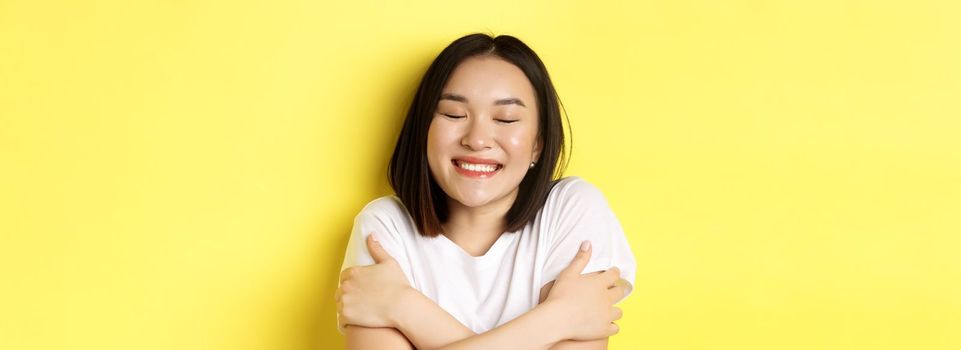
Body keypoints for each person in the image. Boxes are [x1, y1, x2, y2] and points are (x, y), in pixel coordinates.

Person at [335, 33, 637, 350]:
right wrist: (558, 319)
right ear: (423, 130)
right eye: (453, 114)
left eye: (505, 118)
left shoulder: (572, 208)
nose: (477, 139)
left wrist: (403, 306)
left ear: (538, 144)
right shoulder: (385, 227)